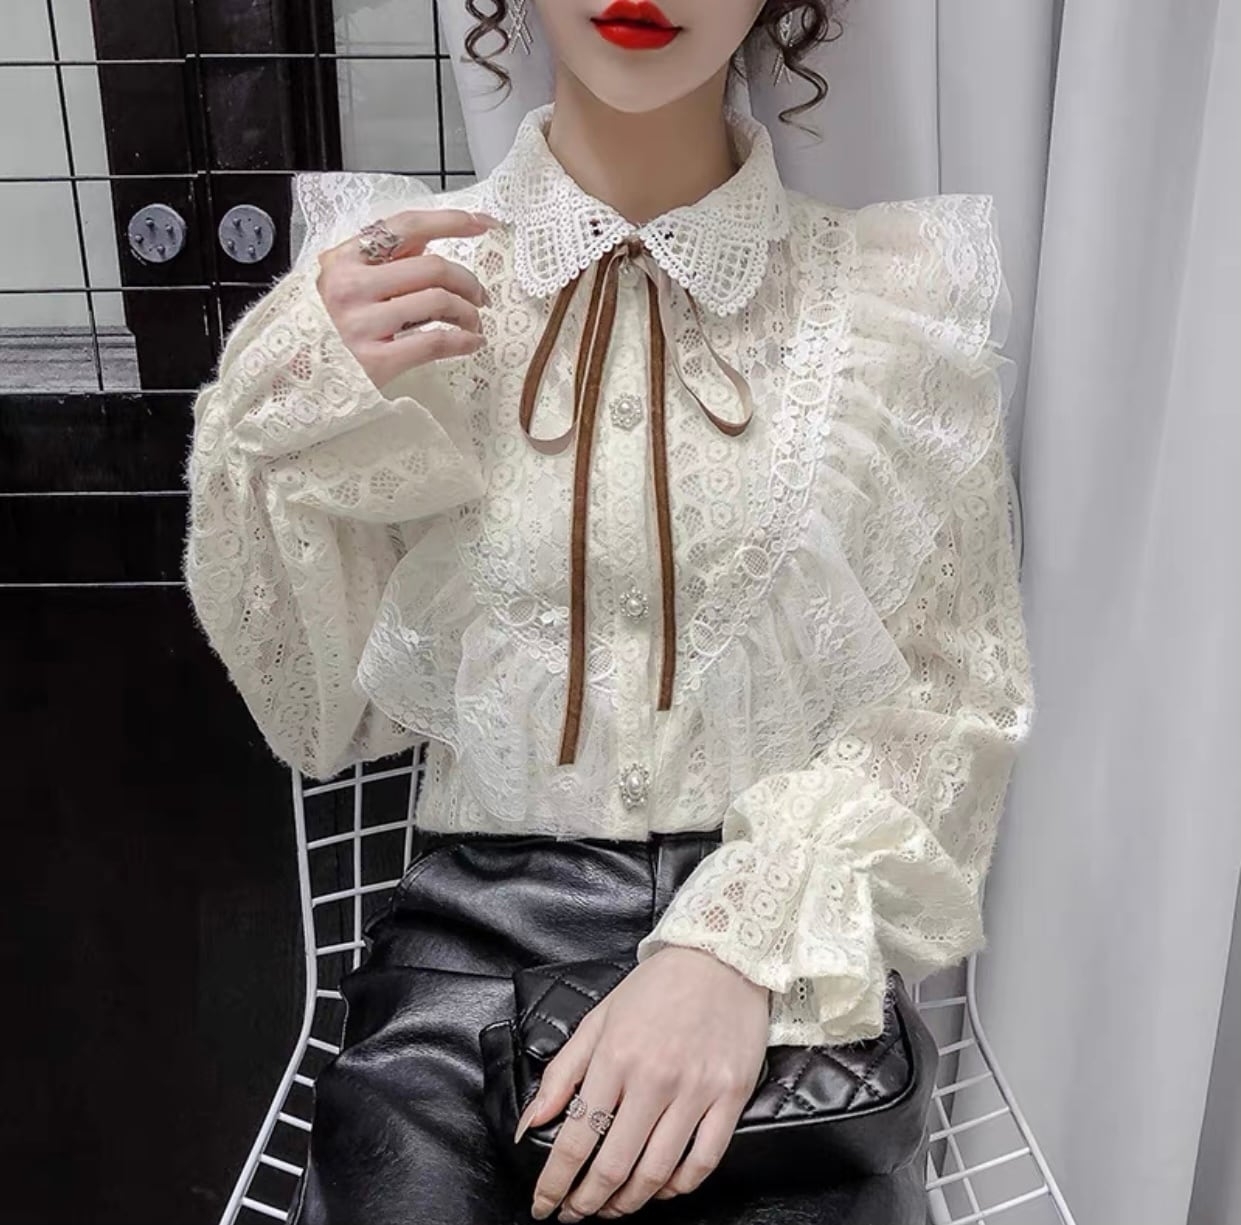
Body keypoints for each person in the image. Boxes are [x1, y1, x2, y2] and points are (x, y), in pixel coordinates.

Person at [183, 1, 1036, 1221]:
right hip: (461, 976)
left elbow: (950, 703)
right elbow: (320, 716)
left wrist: (729, 951)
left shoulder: (886, 305)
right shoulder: (389, 287)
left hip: (779, 972)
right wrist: (278, 414)